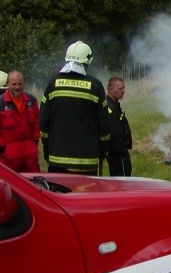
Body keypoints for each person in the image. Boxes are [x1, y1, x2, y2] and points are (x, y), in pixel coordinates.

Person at [40, 41, 110, 175]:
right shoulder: (95, 86)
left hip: (57, 159)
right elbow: (104, 125)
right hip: (86, 162)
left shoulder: (53, 83)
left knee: (58, 195)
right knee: (84, 196)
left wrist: (47, 147)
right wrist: (102, 151)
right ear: (87, 61)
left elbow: (43, 120)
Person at [0, 71, 40, 172]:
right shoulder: (1, 102)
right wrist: (3, 149)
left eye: (20, 83)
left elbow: (37, 123)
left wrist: (34, 142)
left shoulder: (31, 100)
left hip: (30, 155)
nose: (17, 87)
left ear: (23, 83)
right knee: (9, 185)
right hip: (9, 156)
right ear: (8, 84)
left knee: (33, 184)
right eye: (14, 84)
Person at [106, 76, 132, 176]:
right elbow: (114, 133)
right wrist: (122, 152)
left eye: (124, 88)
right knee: (122, 179)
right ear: (110, 89)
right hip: (117, 153)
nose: (123, 91)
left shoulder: (115, 105)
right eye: (120, 88)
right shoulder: (109, 108)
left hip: (120, 151)